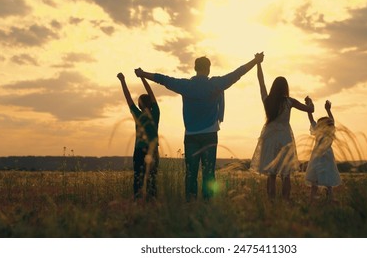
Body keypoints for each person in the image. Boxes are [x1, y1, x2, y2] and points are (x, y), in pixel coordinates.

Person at [135, 52, 264, 201]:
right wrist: (255, 61)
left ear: (195, 68)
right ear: (208, 69)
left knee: (191, 174)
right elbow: (237, 73)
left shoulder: (185, 85)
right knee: (209, 173)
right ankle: (207, 204)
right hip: (209, 135)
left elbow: (163, 80)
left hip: (191, 136)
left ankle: (190, 203)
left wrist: (143, 73)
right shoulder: (215, 84)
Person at [250, 62, 314, 200]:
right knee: (286, 174)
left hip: (269, 137)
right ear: (285, 88)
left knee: (271, 174)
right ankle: (285, 200)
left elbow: (261, 82)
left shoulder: (267, 100)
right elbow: (310, 110)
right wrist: (310, 102)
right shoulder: (289, 101)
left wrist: (258, 64)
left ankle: (271, 200)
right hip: (285, 138)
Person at [117, 72, 160, 201]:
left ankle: (138, 202)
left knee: (138, 179)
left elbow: (128, 97)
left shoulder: (138, 114)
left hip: (139, 150)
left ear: (140, 105)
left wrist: (123, 81)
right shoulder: (156, 113)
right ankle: (152, 203)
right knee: (152, 179)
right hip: (153, 150)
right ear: (151, 104)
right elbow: (152, 95)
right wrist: (142, 77)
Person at [304, 98, 341, 203]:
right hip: (326, 156)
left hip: (318, 157)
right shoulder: (330, 132)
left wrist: (309, 107)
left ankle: (313, 199)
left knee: (315, 181)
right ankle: (330, 198)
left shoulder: (319, 131)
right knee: (327, 180)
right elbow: (331, 121)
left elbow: (311, 119)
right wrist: (328, 110)